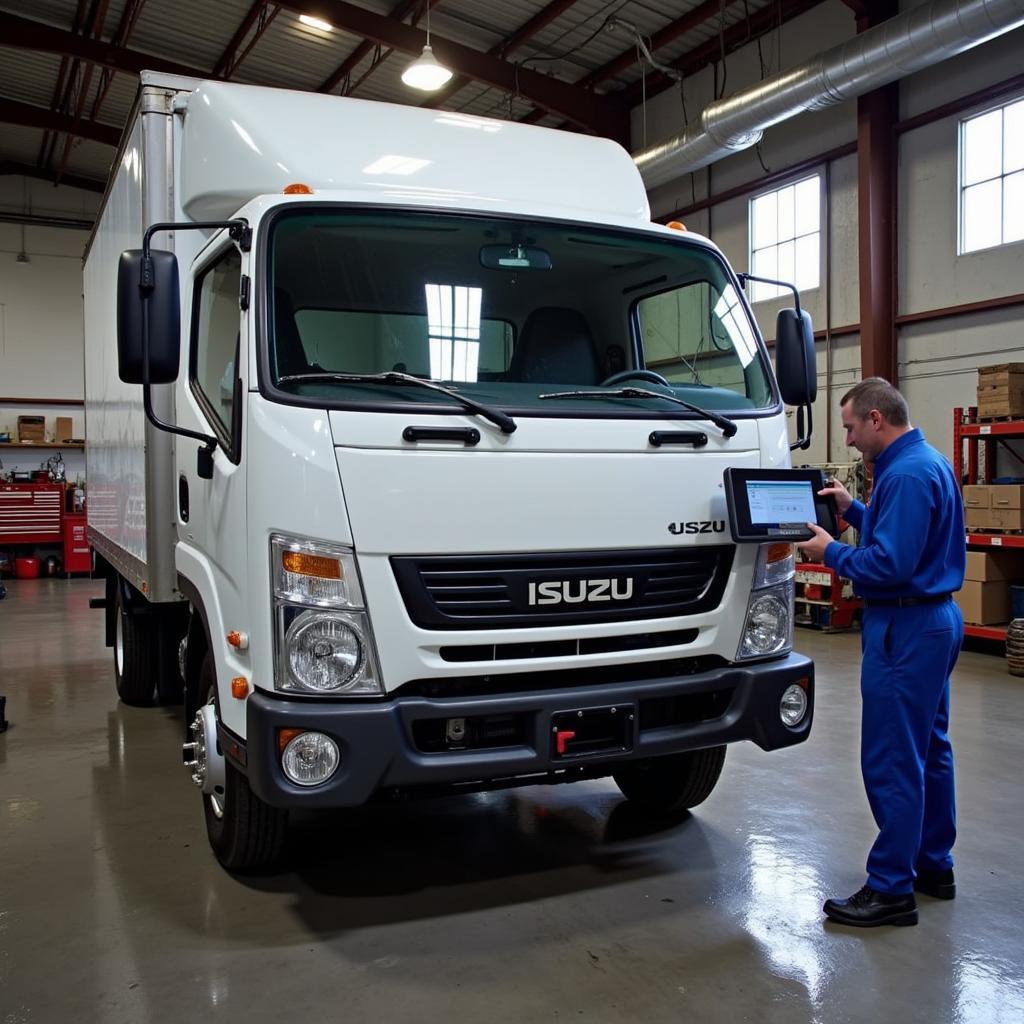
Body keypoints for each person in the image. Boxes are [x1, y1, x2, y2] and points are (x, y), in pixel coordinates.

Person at [801, 377, 965, 928]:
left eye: (849, 426)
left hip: (905, 624)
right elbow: (908, 538)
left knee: (893, 758)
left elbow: (890, 565)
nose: (847, 439)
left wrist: (830, 553)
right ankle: (932, 866)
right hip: (934, 619)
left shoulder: (907, 474)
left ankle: (891, 888)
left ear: (876, 419)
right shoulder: (925, 462)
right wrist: (853, 511)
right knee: (930, 750)